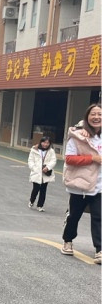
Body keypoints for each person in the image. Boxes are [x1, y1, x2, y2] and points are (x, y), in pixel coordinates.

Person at [60, 103, 101, 263]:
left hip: (99, 186)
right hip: (81, 186)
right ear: (87, 117)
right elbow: (69, 159)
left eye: (100, 114)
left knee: (99, 217)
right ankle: (68, 241)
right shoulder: (78, 136)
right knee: (74, 217)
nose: (97, 117)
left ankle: (99, 250)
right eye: (93, 114)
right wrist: (92, 158)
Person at [27, 135, 56, 211]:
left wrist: (48, 167)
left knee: (43, 189)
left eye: (47, 143)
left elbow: (53, 161)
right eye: (44, 142)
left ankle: (40, 206)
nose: (45, 144)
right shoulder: (34, 150)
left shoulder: (51, 151)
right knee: (36, 188)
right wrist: (34, 168)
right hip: (36, 172)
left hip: (45, 173)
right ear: (41, 142)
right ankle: (31, 201)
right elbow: (30, 160)